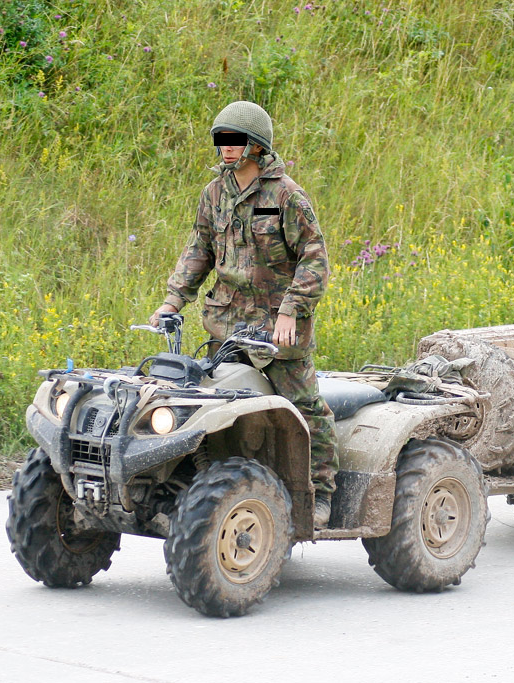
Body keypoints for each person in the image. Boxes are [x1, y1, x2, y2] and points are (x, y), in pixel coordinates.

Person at [150, 100, 338, 527]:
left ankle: (320, 491)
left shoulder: (286, 195)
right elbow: (199, 249)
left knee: (304, 407)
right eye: (221, 140)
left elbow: (315, 258)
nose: (226, 148)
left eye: (235, 140)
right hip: (226, 326)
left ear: (256, 145)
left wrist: (292, 311)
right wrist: (173, 300)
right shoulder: (214, 194)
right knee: (208, 409)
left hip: (276, 332)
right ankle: (210, 492)